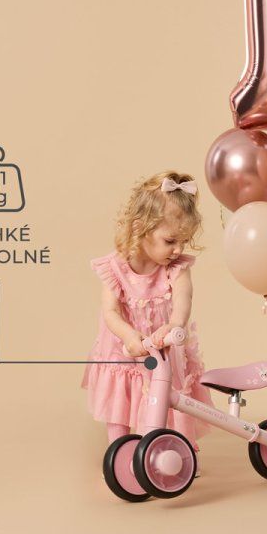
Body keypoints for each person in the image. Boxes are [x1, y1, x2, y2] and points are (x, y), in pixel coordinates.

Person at [81, 171, 214, 452]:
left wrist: (175, 324)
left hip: (162, 348)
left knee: (168, 395)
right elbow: (111, 311)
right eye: (170, 241)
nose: (178, 249)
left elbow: (184, 299)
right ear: (141, 228)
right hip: (124, 349)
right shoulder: (115, 268)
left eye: (184, 241)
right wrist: (129, 336)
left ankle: (177, 450)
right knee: (120, 400)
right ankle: (119, 452)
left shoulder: (176, 269)